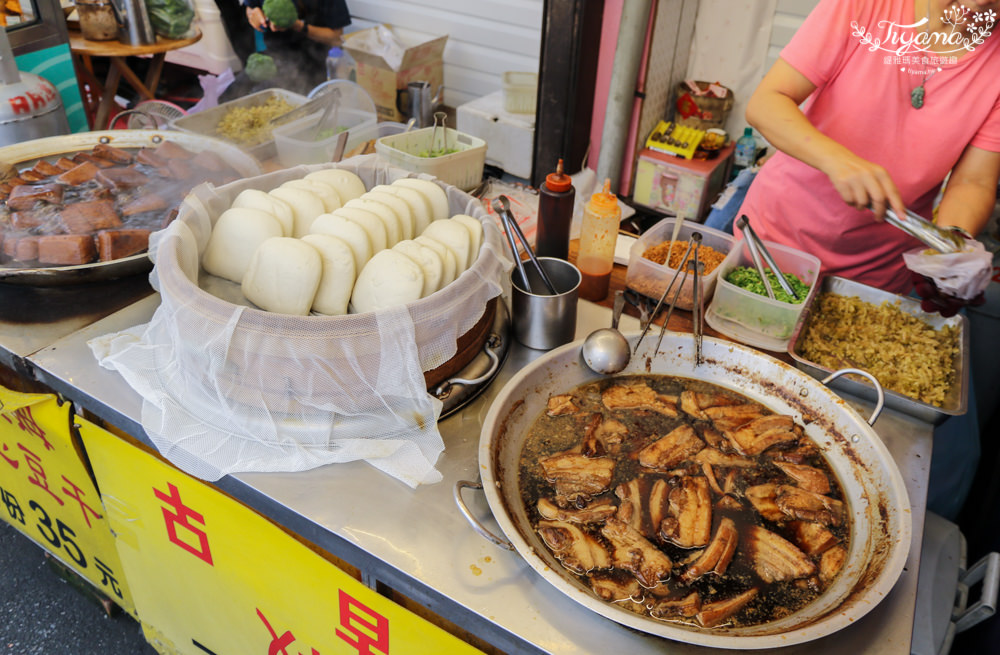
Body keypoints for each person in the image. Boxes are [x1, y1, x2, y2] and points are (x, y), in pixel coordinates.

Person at [738, 0, 1000, 520]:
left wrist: (945, 248)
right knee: (746, 405)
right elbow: (768, 102)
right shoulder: (864, 6)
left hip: (877, 277)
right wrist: (838, 158)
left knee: (819, 440)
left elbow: (972, 180)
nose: (971, 6)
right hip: (777, 247)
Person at [232, 0, 351, 96]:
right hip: (274, 56)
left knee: (264, 97)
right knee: (232, 94)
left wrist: (299, 26)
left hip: (314, 62)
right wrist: (255, 15)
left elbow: (336, 38)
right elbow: (250, 8)